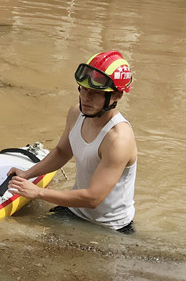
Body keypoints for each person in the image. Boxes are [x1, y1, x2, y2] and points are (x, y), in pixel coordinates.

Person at [8, 50, 136, 233]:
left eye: (95, 93)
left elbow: (93, 198)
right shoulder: (77, 113)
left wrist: (38, 193)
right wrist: (27, 174)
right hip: (75, 210)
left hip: (109, 227)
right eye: (83, 89)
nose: (86, 98)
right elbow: (62, 152)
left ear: (116, 96)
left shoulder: (119, 139)